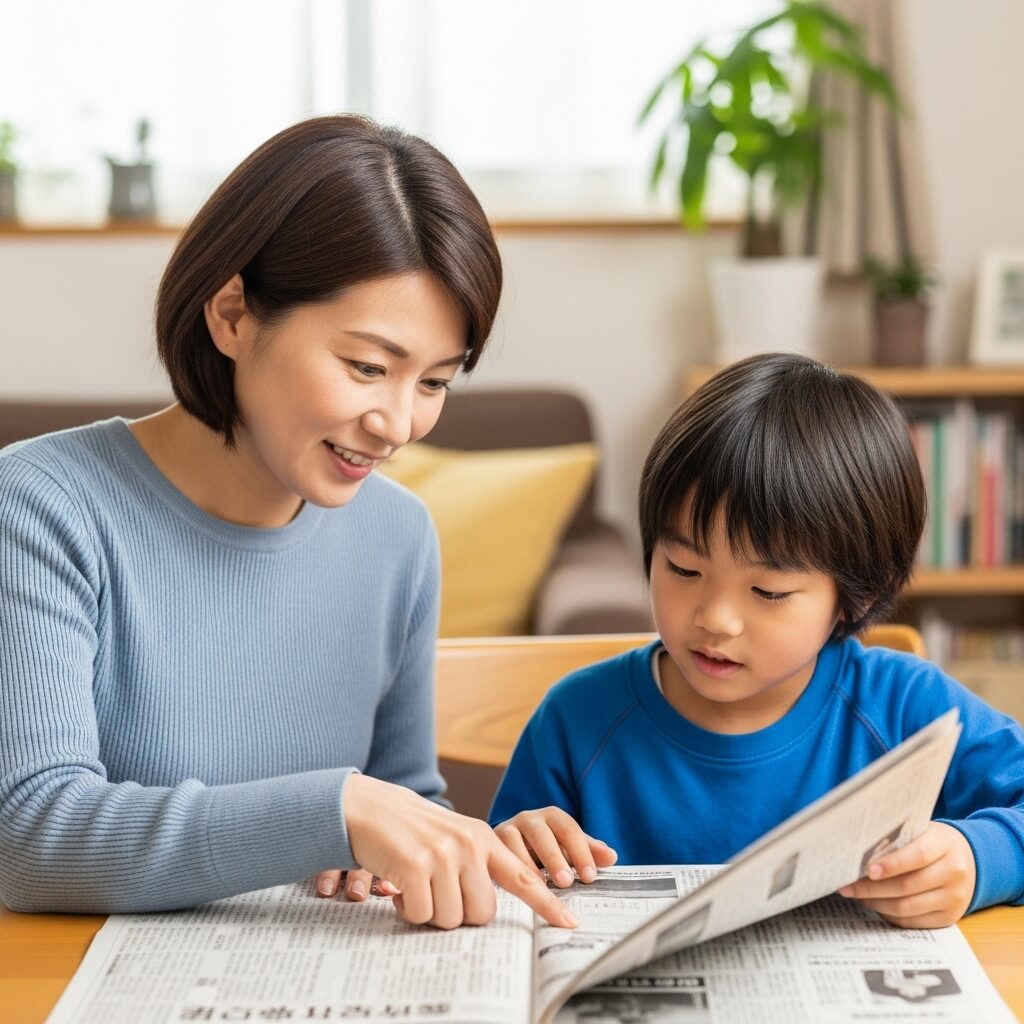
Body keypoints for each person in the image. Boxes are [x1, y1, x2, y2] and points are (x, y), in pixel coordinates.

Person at [0, 115, 578, 932]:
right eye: (368, 367)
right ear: (234, 314)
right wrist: (331, 810)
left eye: (435, 381)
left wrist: (471, 844)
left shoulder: (399, 537)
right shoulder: (41, 508)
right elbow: (31, 836)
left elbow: (402, 804)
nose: (398, 423)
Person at [490, 353, 1024, 928]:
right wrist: (512, 848)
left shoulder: (903, 706)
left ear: (858, 596)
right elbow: (504, 876)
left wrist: (979, 857)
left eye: (768, 591)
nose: (716, 619)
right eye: (684, 570)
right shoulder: (576, 720)